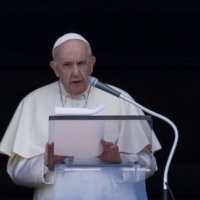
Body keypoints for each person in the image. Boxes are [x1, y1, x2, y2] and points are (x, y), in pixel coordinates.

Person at [0, 33, 161, 200]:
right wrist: (46, 163)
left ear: (91, 64)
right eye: (67, 65)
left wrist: (120, 160)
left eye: (81, 63)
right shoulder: (33, 102)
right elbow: (15, 172)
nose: (76, 72)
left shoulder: (120, 98)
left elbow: (150, 164)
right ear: (55, 68)